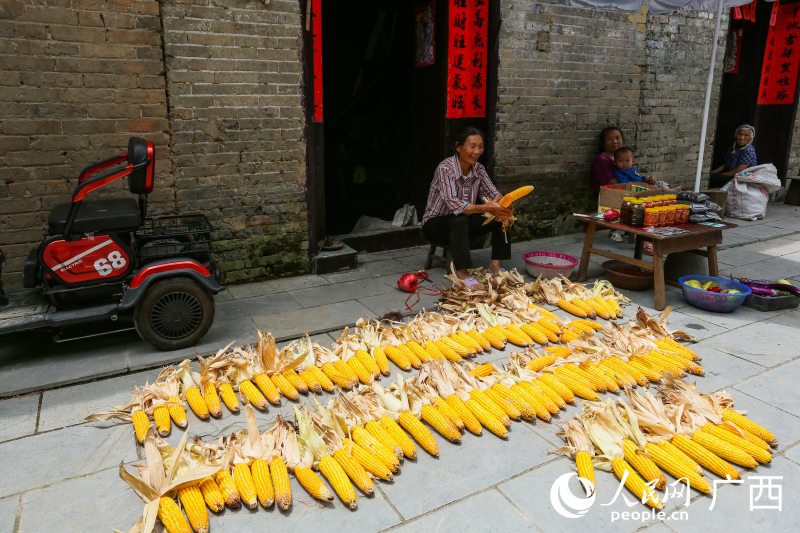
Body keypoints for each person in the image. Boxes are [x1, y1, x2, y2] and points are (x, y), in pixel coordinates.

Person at [422, 127, 512, 288]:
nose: (477, 151)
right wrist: (486, 208)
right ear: (458, 147)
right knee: (461, 219)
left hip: (463, 224)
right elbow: (453, 203)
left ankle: (495, 266)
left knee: (503, 217)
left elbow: (494, 195)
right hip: (436, 226)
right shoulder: (445, 169)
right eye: (472, 146)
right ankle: (462, 273)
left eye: (480, 147)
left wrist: (504, 206)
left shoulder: (479, 169)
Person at [613, 147, 680, 192]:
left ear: (632, 161)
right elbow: (625, 184)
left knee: (660, 183)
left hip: (644, 184)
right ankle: (670, 192)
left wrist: (647, 178)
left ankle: (670, 191)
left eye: (627, 160)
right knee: (656, 188)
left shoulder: (633, 170)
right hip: (636, 188)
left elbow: (639, 178)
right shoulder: (620, 172)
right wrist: (643, 185)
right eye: (621, 161)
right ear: (615, 162)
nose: (624, 163)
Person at [590, 126, 623, 195]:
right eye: (610, 139)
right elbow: (614, 183)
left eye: (617, 138)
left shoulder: (622, 158)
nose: (615, 142)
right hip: (609, 196)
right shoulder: (601, 160)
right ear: (602, 143)